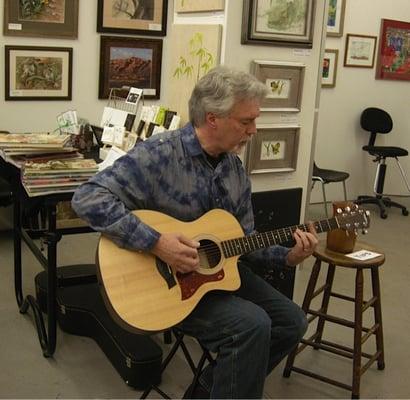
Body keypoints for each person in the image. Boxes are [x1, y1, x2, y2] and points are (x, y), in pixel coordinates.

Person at [72, 66, 318, 399]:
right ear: (213, 118)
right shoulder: (159, 155)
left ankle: (208, 390)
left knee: (292, 322)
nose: (254, 131)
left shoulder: (234, 170)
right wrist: (157, 243)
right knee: (252, 326)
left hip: (219, 276)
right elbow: (87, 197)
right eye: (246, 122)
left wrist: (289, 255)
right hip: (168, 286)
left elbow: (244, 243)